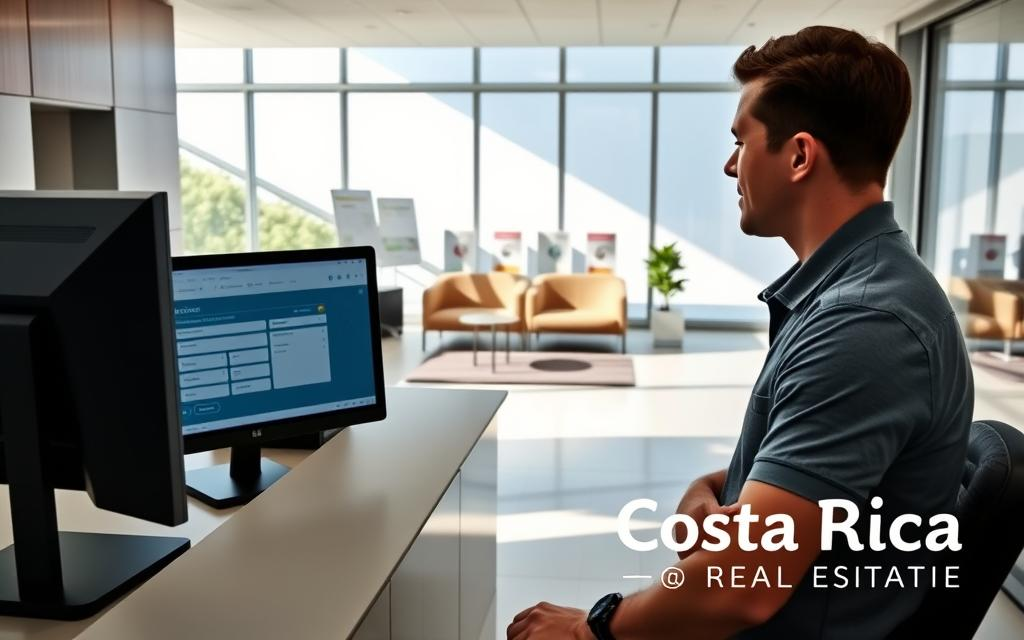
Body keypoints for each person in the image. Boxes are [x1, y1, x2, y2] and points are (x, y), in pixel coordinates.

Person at [506, 25, 973, 640]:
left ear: (800, 156)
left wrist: (588, 630)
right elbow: (813, 490)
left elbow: (741, 588)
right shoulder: (853, 291)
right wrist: (717, 490)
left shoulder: (864, 324)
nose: (730, 165)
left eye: (741, 141)